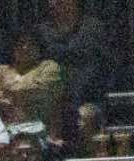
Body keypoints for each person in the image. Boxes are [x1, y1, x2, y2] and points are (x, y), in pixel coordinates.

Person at [31, 0, 112, 139]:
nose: (58, 2)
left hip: (88, 97)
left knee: (84, 117)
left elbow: (106, 65)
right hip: (51, 99)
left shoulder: (93, 28)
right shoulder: (40, 32)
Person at [0, 31, 64, 132]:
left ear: (39, 47)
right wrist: (20, 96)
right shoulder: (0, 70)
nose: (25, 48)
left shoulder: (48, 66)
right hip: (3, 126)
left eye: (31, 44)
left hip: (39, 126)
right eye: (20, 44)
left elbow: (40, 91)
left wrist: (6, 94)